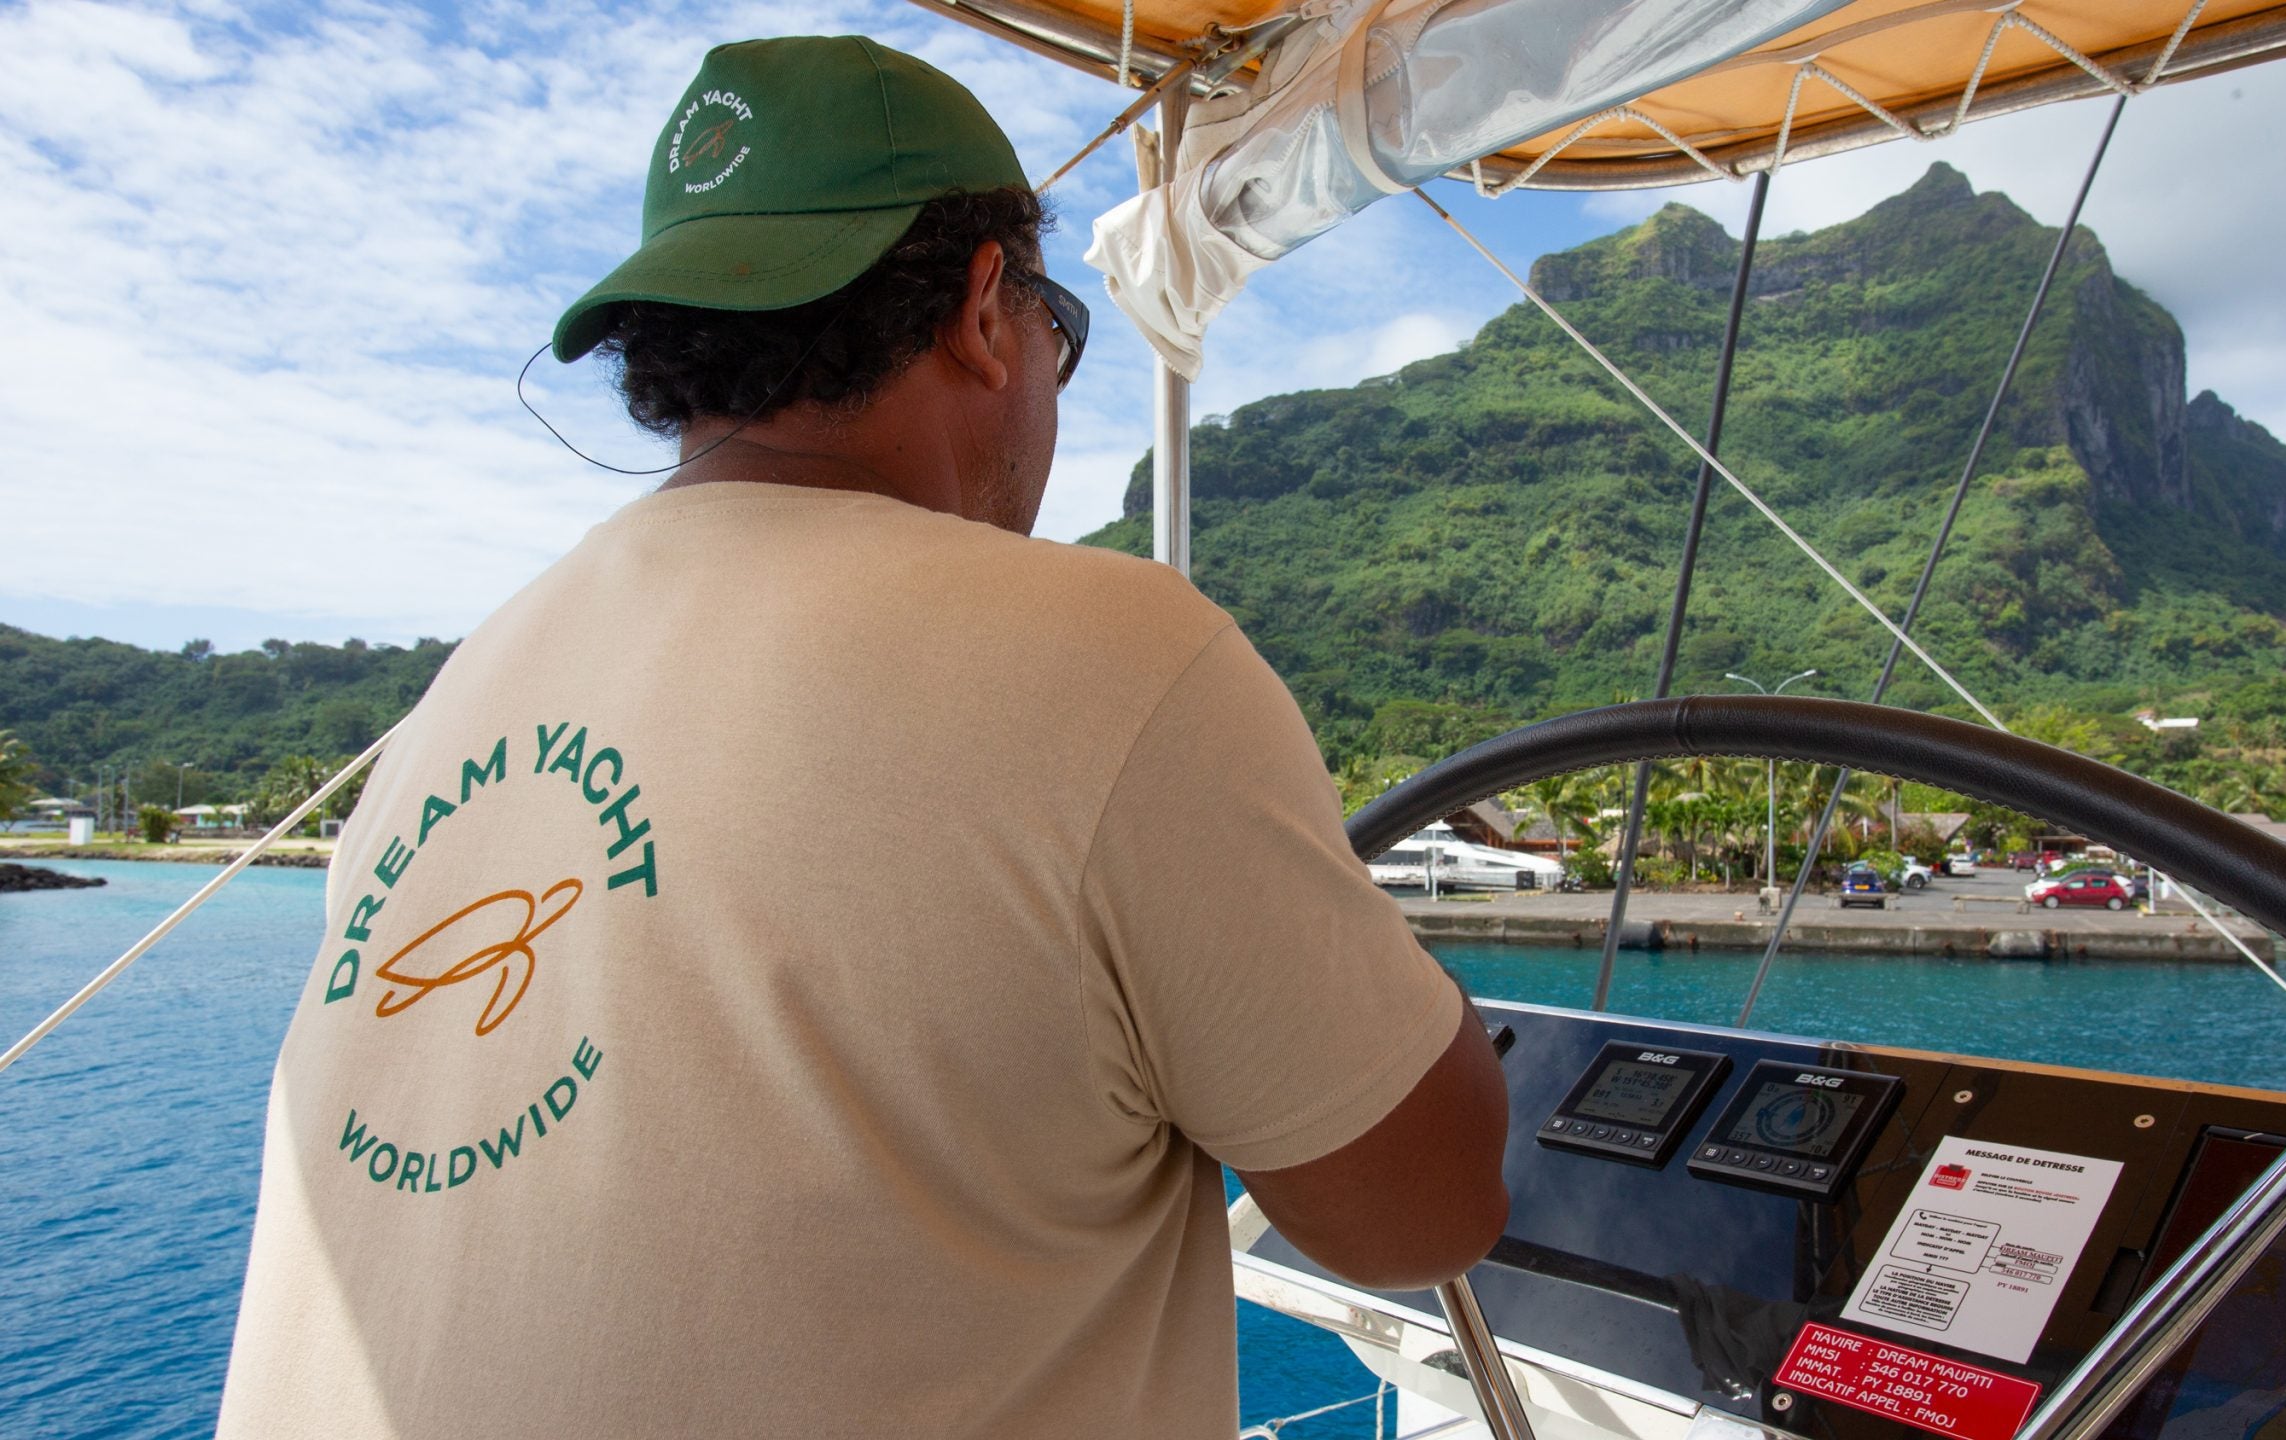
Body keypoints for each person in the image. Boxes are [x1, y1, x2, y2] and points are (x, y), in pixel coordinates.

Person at [217, 35, 1508, 1440]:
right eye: (1058, 334)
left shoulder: (462, 692)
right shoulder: (1116, 656)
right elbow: (1422, 1215)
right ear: (982, 313)